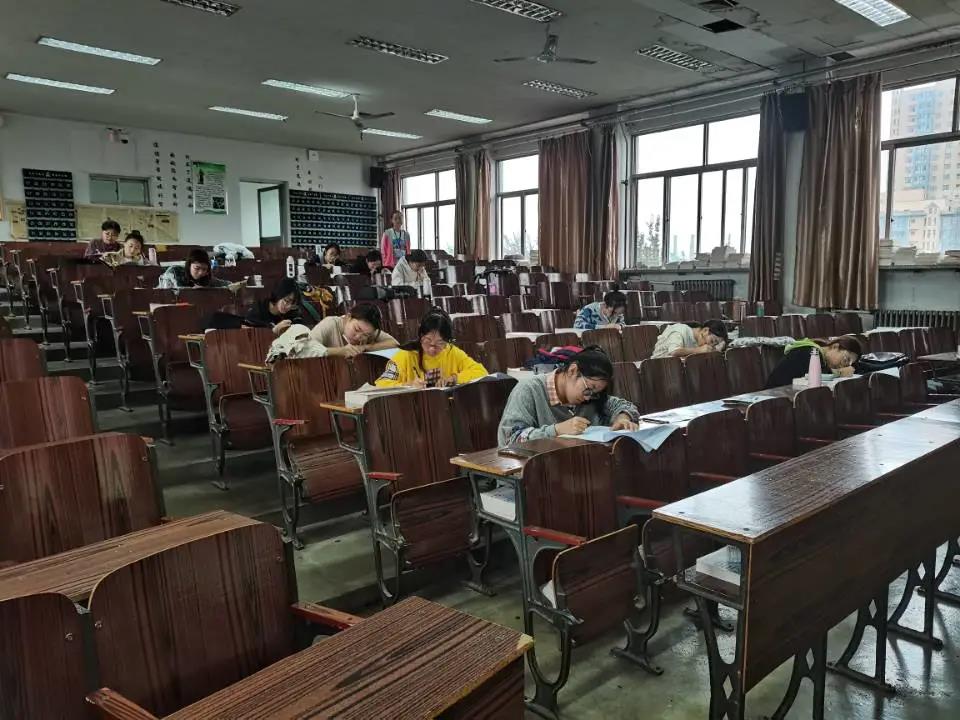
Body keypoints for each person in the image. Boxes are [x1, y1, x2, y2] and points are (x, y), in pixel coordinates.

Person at [497, 346, 641, 447]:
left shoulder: (592, 397)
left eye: (595, 394)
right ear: (573, 371)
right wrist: (557, 430)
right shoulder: (528, 390)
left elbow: (623, 405)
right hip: (536, 472)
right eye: (589, 389)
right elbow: (511, 438)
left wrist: (622, 418)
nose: (588, 398)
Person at [375, 308, 487, 388]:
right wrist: (408, 385)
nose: (432, 349)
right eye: (427, 341)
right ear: (420, 336)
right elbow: (381, 384)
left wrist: (453, 379)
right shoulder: (404, 355)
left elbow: (481, 372)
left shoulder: (452, 352)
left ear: (447, 342)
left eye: (439, 343)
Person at [765, 336, 862, 389]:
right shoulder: (810, 352)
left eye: (849, 364)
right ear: (835, 347)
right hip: (776, 397)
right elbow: (818, 376)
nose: (844, 366)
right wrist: (840, 373)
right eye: (845, 360)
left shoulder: (819, 355)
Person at [309, 303, 399, 358]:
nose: (358, 337)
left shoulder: (368, 330)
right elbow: (307, 349)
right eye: (357, 329)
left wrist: (365, 347)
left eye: (365, 335)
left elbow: (394, 344)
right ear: (348, 317)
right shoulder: (330, 323)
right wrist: (341, 351)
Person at [651, 320, 728, 359]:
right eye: (712, 341)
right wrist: (699, 350)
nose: (710, 346)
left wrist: (719, 348)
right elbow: (674, 351)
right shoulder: (681, 330)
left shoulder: (698, 340)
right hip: (660, 367)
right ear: (705, 330)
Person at [158, 248, 231, 289]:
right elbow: (165, 293)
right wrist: (195, 291)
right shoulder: (174, 272)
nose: (201, 272)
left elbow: (228, 285)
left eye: (204, 269)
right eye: (197, 268)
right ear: (189, 265)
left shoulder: (206, 276)